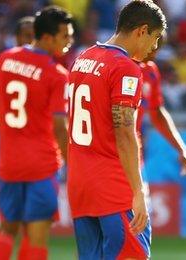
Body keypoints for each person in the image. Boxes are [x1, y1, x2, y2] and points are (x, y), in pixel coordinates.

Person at [66, 1, 166, 259]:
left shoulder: (82, 58)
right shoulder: (125, 68)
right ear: (142, 31)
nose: (153, 48)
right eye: (154, 38)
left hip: (80, 186)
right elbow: (124, 130)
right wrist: (137, 191)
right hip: (113, 186)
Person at [0, 6, 73, 260]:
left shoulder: (3, 61)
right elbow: (59, 125)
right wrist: (71, 163)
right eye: (64, 36)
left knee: (7, 229)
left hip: (8, 162)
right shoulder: (56, 75)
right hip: (41, 165)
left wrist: (13, 134)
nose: (69, 42)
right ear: (47, 37)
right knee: (36, 237)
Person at [137, 35, 186, 176]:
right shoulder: (118, 66)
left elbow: (157, 112)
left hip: (135, 158)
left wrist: (181, 149)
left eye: (158, 47)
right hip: (108, 159)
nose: (154, 52)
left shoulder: (150, 71)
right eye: (152, 45)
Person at [0, 16, 36, 124]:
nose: (32, 41)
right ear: (17, 38)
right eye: (28, 36)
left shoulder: (47, 67)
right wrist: (6, 124)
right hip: (10, 137)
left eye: (35, 37)